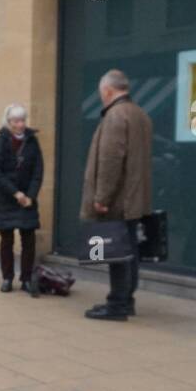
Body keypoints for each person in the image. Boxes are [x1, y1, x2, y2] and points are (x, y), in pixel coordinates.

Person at [80, 69, 153, 321]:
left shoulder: (115, 115)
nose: (101, 97)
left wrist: (101, 197)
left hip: (118, 199)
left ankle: (117, 304)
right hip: (133, 198)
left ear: (108, 91)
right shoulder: (140, 114)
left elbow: (111, 160)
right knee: (129, 250)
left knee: (117, 252)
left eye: (102, 93)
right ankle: (126, 300)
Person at [0, 103, 44, 296]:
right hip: (5, 199)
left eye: (22, 120)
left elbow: (38, 171)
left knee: (29, 239)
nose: (20, 124)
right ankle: (7, 278)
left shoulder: (32, 141)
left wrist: (30, 196)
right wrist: (15, 193)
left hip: (26, 199)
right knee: (7, 239)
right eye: (16, 121)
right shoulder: (0, 142)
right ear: (8, 122)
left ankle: (26, 279)